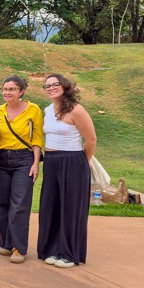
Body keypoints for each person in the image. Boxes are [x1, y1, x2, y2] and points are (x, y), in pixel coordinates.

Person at [37, 73, 96, 268]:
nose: (51, 88)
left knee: (71, 208)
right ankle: (52, 249)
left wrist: (79, 162)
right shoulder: (47, 110)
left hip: (73, 160)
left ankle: (69, 254)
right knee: (51, 205)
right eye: (47, 85)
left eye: (55, 84)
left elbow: (91, 140)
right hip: (52, 162)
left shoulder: (76, 110)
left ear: (64, 86)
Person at [0, 75, 43, 264]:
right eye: (4, 89)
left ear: (21, 91)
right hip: (1, 159)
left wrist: (35, 163)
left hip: (24, 159)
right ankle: (6, 242)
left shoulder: (33, 109)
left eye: (12, 89)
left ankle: (19, 247)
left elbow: (37, 138)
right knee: (1, 203)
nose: (7, 92)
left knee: (20, 204)